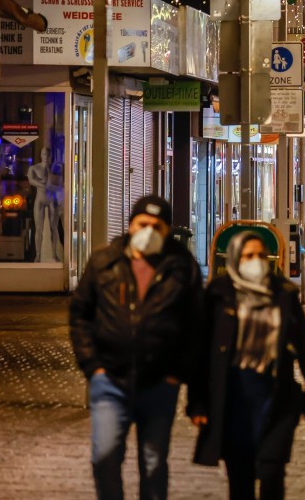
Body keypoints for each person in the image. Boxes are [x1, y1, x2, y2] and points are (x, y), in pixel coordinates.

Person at [69, 195, 203, 500]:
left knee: (153, 463)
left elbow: (196, 328)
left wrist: (176, 374)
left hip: (159, 384)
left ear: (168, 230)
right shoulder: (105, 262)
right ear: (131, 224)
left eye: (158, 226)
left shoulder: (181, 268)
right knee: (104, 457)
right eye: (143, 224)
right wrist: (94, 367)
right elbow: (80, 314)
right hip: (110, 381)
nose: (149, 231)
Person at [189, 231, 305, 500]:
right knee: (241, 478)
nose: (256, 261)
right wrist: (198, 402)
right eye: (249, 256)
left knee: (272, 470)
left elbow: (304, 345)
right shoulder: (218, 295)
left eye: (261, 255)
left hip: (277, 396)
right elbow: (202, 352)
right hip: (234, 399)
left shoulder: (283, 294)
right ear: (236, 259)